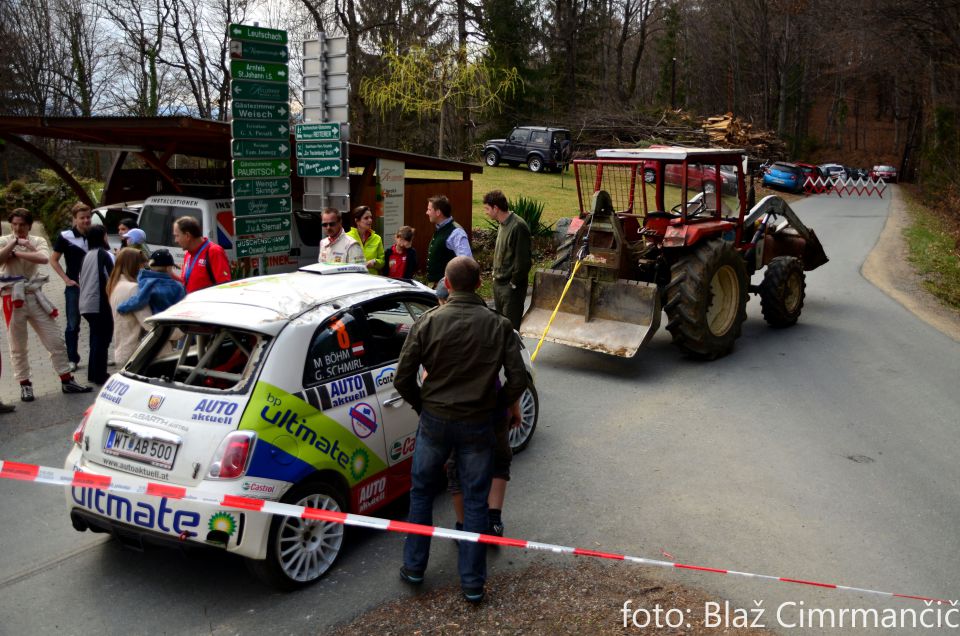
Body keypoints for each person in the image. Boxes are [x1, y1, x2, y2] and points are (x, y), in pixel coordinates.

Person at [394, 256, 527, 604]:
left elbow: (402, 377)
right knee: (475, 499)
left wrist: (424, 406)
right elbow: (518, 378)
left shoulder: (427, 322)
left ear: (447, 285)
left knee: (421, 493)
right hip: (478, 424)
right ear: (480, 282)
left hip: (435, 422)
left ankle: (414, 567)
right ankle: (472, 584)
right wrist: (498, 407)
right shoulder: (498, 326)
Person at [0, 208, 91, 401]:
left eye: (22, 225)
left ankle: (66, 379)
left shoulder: (37, 240)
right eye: (14, 224)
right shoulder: (4, 240)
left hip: (34, 294)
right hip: (11, 296)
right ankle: (25, 384)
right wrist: (15, 244)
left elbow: (42, 258)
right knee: (17, 345)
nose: (18, 228)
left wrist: (19, 252)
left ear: (30, 226)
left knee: (55, 339)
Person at [49, 202, 92, 372]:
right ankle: (72, 358)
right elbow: (53, 260)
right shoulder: (66, 236)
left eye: (88, 217)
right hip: (74, 287)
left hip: (94, 287)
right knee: (73, 324)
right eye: (82, 218)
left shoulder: (96, 233)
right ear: (75, 219)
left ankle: (100, 353)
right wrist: (66, 279)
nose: (86, 221)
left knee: (99, 323)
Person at [483, 190, 532, 330]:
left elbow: (523, 261)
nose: (486, 212)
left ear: (496, 208)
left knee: (510, 330)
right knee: (500, 328)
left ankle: (514, 353)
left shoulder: (518, 226)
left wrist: (513, 283)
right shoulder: (502, 224)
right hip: (498, 284)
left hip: (511, 288)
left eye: (487, 208)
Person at [79, 226, 115, 384]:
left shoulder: (87, 255)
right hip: (99, 303)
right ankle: (100, 375)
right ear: (102, 237)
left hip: (86, 303)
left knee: (95, 338)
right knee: (103, 339)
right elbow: (111, 278)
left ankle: (93, 373)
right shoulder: (104, 254)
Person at [107, 247, 150, 367]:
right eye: (142, 265)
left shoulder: (115, 285)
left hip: (122, 349)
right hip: (135, 352)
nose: (144, 269)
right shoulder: (132, 288)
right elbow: (147, 322)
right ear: (134, 265)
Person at [117, 248, 186, 316]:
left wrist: (122, 308)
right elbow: (182, 307)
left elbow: (139, 300)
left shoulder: (146, 282)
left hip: (155, 321)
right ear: (168, 268)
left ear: (151, 266)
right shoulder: (179, 286)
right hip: (172, 322)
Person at [173, 216, 231, 293]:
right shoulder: (188, 254)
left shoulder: (214, 251)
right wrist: (171, 274)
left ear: (187, 236)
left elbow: (225, 286)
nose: (176, 240)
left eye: (177, 236)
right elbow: (187, 282)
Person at [425, 195, 472, 286]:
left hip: (449, 289)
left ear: (438, 212)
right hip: (438, 287)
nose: (427, 212)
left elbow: (467, 262)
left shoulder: (456, 233)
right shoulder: (441, 229)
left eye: (429, 210)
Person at [345, 205, 385, 275]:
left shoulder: (377, 238)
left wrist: (375, 262)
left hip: (372, 280)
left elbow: (382, 262)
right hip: (353, 279)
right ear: (357, 221)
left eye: (370, 217)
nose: (370, 220)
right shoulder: (346, 237)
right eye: (366, 218)